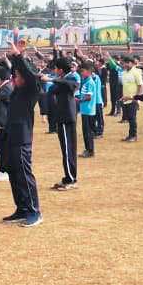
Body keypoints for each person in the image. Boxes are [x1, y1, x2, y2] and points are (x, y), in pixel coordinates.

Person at [2, 40, 42, 227]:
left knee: (24, 174)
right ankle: (22, 208)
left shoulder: (31, 89)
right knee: (13, 173)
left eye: (17, 76)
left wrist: (19, 56)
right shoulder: (17, 91)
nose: (13, 79)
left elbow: (28, 74)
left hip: (22, 138)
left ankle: (34, 211)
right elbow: (17, 71)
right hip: (11, 136)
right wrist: (13, 57)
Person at [42, 54, 80, 190]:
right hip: (63, 117)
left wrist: (52, 79)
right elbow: (51, 90)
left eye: (56, 69)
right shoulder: (62, 81)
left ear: (61, 70)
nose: (54, 71)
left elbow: (73, 85)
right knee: (67, 150)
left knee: (68, 149)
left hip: (66, 118)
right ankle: (69, 177)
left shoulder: (71, 78)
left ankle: (70, 179)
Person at [106, 53, 143, 142]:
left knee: (132, 118)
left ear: (131, 63)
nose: (124, 65)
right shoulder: (124, 73)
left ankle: (134, 136)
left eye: (126, 63)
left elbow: (141, 86)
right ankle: (130, 135)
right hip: (125, 99)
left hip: (133, 99)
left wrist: (137, 98)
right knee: (129, 118)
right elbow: (125, 86)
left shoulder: (136, 72)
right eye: (124, 63)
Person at [77, 61, 98, 158]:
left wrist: (79, 100)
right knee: (85, 131)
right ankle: (88, 149)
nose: (81, 73)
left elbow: (89, 97)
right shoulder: (85, 81)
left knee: (88, 132)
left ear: (89, 71)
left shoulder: (90, 82)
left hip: (88, 110)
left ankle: (90, 150)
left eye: (83, 71)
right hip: (85, 110)